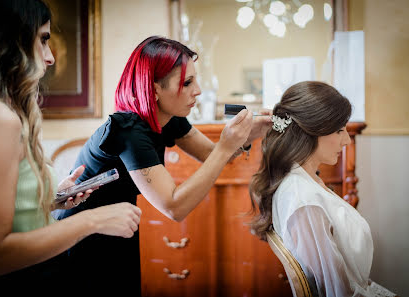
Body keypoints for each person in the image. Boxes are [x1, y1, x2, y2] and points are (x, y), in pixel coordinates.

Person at [53, 35, 272, 296]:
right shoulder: (128, 130)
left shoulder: (170, 117)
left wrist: (251, 136)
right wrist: (226, 146)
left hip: (120, 224)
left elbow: (213, 155)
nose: (198, 90)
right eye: (187, 82)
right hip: (82, 237)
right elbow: (174, 206)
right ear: (155, 88)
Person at [0, 1, 141, 296]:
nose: (50, 58)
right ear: (12, 41)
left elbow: (13, 213)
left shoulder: (9, 115)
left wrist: (54, 198)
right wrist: (93, 220)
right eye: (43, 39)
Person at [248, 81, 397, 297]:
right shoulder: (304, 200)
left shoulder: (306, 181)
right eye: (339, 131)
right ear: (310, 131)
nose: (346, 140)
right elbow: (338, 292)